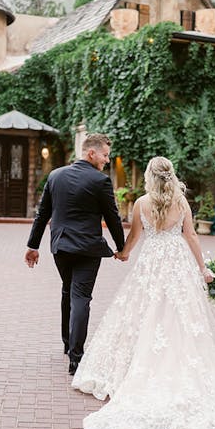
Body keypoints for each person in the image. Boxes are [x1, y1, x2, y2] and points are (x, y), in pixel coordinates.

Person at [72, 156, 215, 429]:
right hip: (177, 263)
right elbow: (191, 237)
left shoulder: (140, 204)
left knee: (143, 311)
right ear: (171, 175)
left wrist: (123, 253)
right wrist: (203, 269)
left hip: (151, 262)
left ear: (149, 176)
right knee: (181, 314)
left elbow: (135, 236)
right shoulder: (181, 202)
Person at [25, 133, 126, 376]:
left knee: (68, 290)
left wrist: (33, 245)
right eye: (104, 155)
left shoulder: (55, 175)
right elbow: (112, 216)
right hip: (88, 249)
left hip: (60, 247)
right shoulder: (100, 181)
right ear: (91, 153)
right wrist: (121, 247)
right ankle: (76, 359)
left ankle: (67, 343)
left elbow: (42, 214)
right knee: (81, 297)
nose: (106, 160)